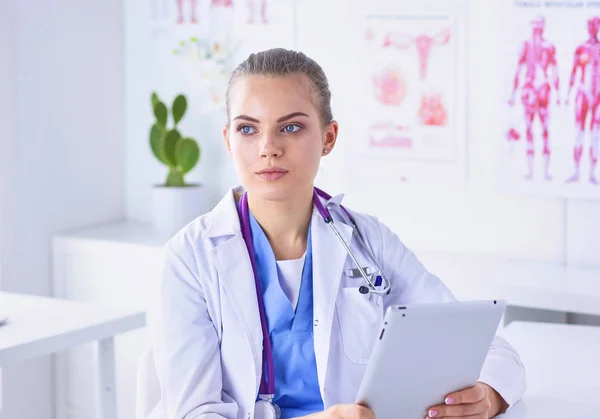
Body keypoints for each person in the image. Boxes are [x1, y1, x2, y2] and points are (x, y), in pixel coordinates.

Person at [150, 48, 526, 419]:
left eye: (291, 127)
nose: (268, 148)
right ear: (229, 140)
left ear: (328, 138)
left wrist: (488, 395)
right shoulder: (190, 259)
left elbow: (487, 349)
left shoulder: (368, 241)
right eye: (248, 128)